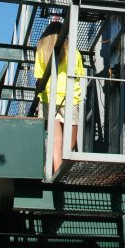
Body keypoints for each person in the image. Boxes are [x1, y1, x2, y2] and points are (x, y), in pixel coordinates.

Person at [34, 21, 85, 173]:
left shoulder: (42, 50)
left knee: (55, 140)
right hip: (70, 97)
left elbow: (38, 77)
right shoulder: (73, 51)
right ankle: (63, 167)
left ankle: (56, 170)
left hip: (49, 98)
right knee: (71, 139)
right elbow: (79, 75)